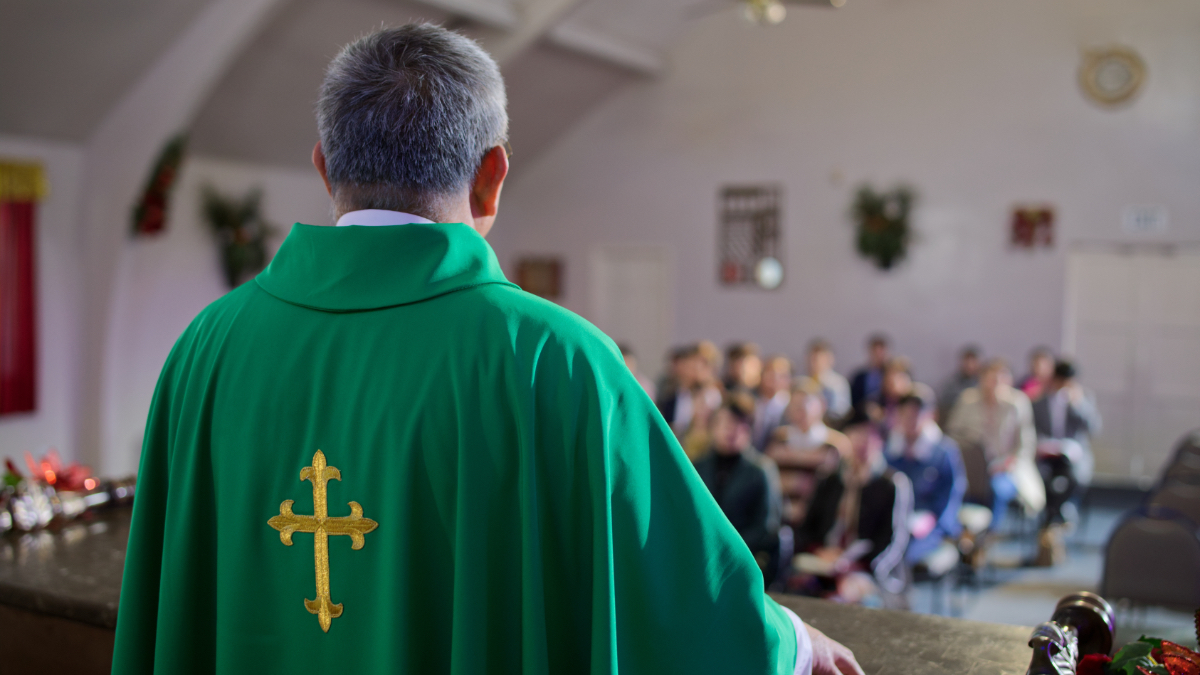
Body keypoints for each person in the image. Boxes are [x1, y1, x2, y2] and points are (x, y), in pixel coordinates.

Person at [112, 25, 863, 675]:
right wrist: (791, 645)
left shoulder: (205, 349)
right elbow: (675, 581)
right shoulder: (556, 360)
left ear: (323, 168)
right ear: (493, 175)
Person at [791, 411, 912, 608]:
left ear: (880, 441)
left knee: (846, 598)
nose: (861, 442)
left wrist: (856, 564)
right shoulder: (830, 479)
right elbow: (807, 526)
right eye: (856, 434)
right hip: (825, 561)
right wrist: (820, 551)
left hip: (866, 568)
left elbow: (893, 541)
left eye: (869, 436)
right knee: (795, 590)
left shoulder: (892, 484)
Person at [946, 359, 1044, 530]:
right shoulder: (968, 399)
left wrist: (1007, 462)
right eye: (990, 379)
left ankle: (989, 534)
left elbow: (1026, 444)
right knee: (959, 485)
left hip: (1006, 468)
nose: (994, 385)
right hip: (972, 466)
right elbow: (952, 434)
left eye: (999, 380)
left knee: (997, 488)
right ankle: (963, 533)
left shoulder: (1017, 403)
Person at [694, 396, 785, 582]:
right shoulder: (697, 467)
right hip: (701, 554)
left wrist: (727, 547)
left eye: (740, 425)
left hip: (744, 558)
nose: (732, 431)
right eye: (726, 424)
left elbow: (767, 525)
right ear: (713, 427)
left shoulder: (761, 470)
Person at [1031, 360, 1101, 565]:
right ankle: (1061, 515)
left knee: (1074, 477)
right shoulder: (1040, 400)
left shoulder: (1083, 399)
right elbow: (1032, 430)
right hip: (1046, 455)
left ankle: (1053, 518)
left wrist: (1077, 404)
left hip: (1074, 455)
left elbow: (1094, 428)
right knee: (1040, 480)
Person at [885, 395, 966, 567]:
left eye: (916, 415)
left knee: (900, 550)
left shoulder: (944, 451)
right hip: (895, 518)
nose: (910, 421)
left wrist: (932, 521)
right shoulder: (891, 448)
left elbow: (952, 494)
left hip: (930, 523)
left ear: (930, 416)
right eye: (905, 415)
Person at [766, 378, 850, 527]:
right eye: (795, 405)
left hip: (818, 523)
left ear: (822, 405)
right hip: (779, 521)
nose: (801, 410)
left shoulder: (836, 444)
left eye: (807, 404)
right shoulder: (778, 439)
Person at [753, 355, 793, 451]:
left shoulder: (791, 407)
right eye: (769, 373)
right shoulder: (754, 403)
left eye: (781, 375)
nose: (774, 379)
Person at [805, 339, 851, 422]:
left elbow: (840, 411)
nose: (812, 363)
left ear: (829, 359)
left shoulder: (837, 383)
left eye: (816, 359)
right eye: (811, 359)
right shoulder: (805, 381)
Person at [849, 333, 890, 416]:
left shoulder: (890, 375)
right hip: (862, 415)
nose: (877, 356)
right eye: (875, 352)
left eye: (880, 352)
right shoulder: (859, 377)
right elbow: (853, 399)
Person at [938, 345, 981, 423]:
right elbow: (946, 404)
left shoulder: (982, 382)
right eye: (967, 361)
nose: (970, 365)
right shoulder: (952, 383)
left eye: (973, 361)